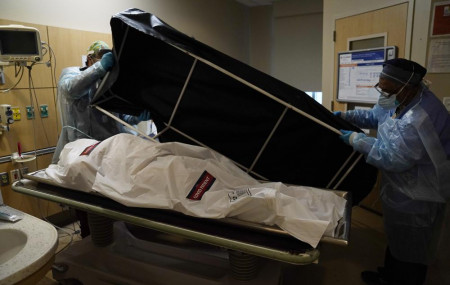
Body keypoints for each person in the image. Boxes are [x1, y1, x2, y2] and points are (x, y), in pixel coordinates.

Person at [335, 58, 450, 285]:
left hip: (419, 195)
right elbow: (374, 116)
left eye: (387, 89)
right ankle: (388, 275)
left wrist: (358, 140)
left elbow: (394, 158)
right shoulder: (398, 99)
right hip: (401, 188)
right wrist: (344, 116)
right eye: (381, 87)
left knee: (411, 251)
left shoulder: (420, 118)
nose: (382, 93)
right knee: (397, 238)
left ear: (407, 87)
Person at [52, 40, 150, 237]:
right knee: (87, 210)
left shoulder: (107, 82)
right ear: (90, 59)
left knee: (112, 207)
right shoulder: (71, 73)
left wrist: (137, 116)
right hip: (81, 155)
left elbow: (120, 116)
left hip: (109, 157)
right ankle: (90, 240)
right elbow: (70, 90)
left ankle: (117, 242)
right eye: (101, 57)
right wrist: (100, 67)